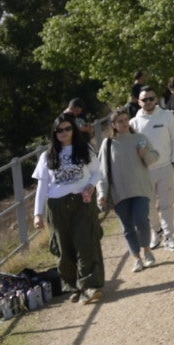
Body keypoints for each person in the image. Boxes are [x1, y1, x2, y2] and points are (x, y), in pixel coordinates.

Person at [32, 117, 106, 304]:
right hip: (57, 206)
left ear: (73, 130)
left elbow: (97, 172)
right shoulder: (47, 156)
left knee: (85, 242)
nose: (63, 132)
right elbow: (42, 187)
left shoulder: (84, 149)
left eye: (67, 128)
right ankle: (73, 286)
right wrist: (37, 214)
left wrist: (90, 185)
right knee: (64, 248)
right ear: (54, 133)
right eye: (59, 130)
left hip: (82, 201)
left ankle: (89, 285)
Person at [97, 108, 158, 272]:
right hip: (119, 193)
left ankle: (147, 251)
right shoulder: (107, 144)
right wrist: (102, 193)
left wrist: (144, 154)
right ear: (113, 125)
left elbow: (154, 158)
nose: (124, 123)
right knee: (128, 228)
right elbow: (101, 172)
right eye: (120, 121)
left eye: (126, 120)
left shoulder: (140, 138)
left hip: (140, 188)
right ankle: (136, 258)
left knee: (141, 220)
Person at [129, 85, 174, 250]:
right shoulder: (133, 123)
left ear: (156, 99)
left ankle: (169, 236)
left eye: (151, 98)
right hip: (144, 172)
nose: (148, 102)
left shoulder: (167, 116)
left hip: (165, 167)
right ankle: (157, 231)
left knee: (167, 204)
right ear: (139, 102)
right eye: (144, 99)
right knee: (149, 207)